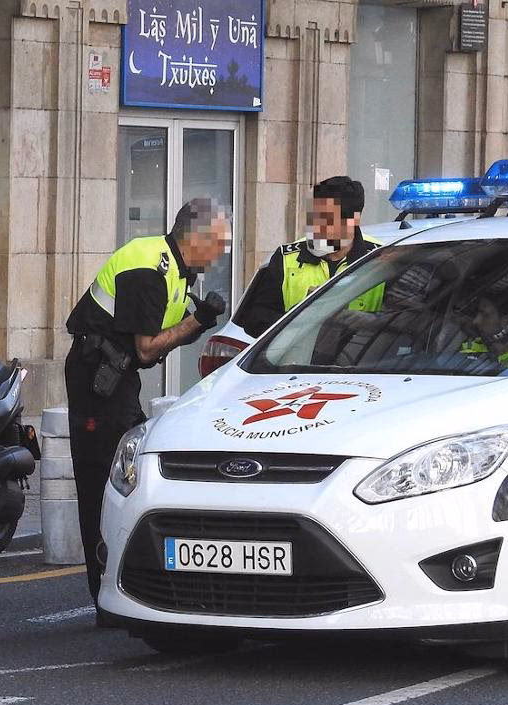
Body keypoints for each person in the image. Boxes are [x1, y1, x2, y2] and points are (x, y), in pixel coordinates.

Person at [64, 198, 230, 625]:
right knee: (105, 484)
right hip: (97, 382)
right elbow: (147, 347)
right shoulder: (149, 267)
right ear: (196, 237)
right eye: (218, 243)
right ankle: (106, 594)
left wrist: (195, 319)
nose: (221, 253)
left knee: (126, 478)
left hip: (116, 379)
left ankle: (127, 585)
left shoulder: (175, 272)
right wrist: (198, 321)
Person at [232, 176, 383, 338]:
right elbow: (254, 321)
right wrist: (302, 312)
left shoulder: (380, 258)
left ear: (353, 220)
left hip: (359, 359)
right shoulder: (287, 257)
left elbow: (402, 322)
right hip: (293, 360)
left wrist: (357, 320)